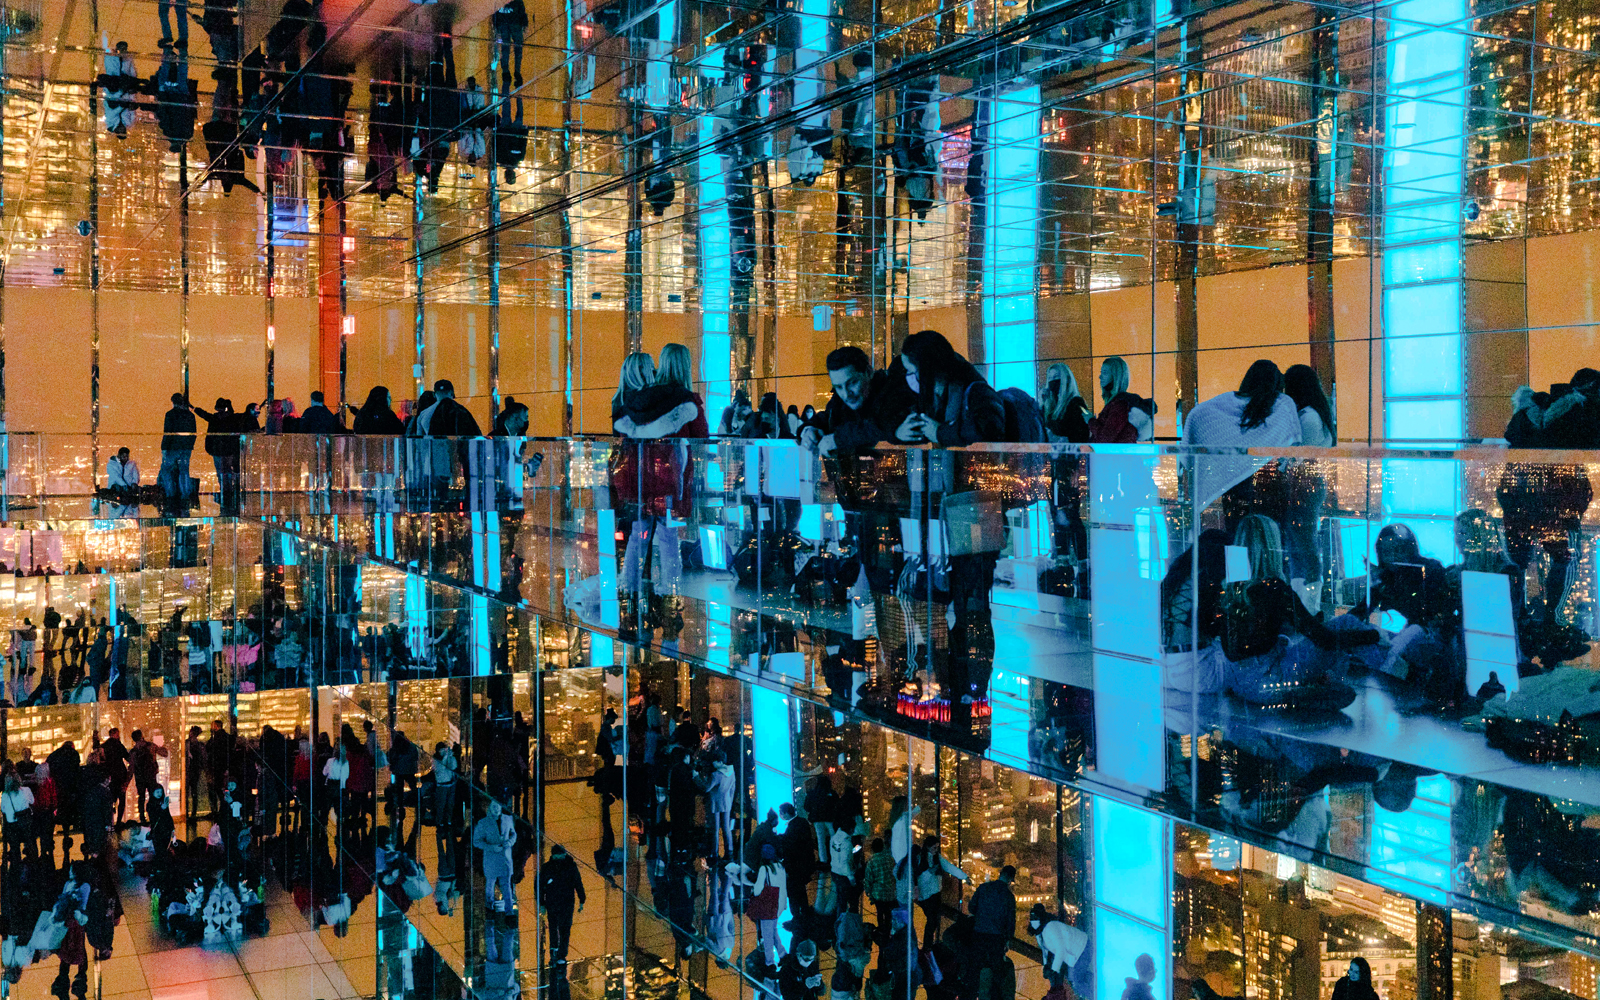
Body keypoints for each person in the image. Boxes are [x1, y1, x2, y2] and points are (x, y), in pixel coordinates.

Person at [1184, 360, 1303, 521]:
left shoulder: (1225, 402)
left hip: (1232, 486)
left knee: (1236, 534)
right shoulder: (1281, 404)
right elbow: (1292, 441)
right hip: (1267, 483)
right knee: (1266, 534)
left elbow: (1196, 415)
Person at [893, 330, 1004, 447]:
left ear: (927, 371)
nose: (909, 378)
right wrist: (900, 431)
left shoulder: (977, 393)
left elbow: (987, 431)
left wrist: (940, 433)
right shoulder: (935, 397)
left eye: (912, 372)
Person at [913, 834, 969, 947]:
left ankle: (927, 946)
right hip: (928, 895)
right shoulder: (923, 859)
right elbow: (947, 867)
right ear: (927, 847)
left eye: (937, 847)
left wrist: (964, 877)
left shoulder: (930, 858)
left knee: (932, 921)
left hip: (932, 894)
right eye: (934, 847)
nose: (936, 850)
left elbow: (949, 867)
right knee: (932, 921)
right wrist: (930, 872)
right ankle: (927, 946)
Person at [1087, 356, 1156, 443]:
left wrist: (1090, 420)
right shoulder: (1119, 402)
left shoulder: (1120, 404)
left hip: (1117, 455)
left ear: (1115, 376)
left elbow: (1106, 437)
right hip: (1120, 454)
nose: (1100, 377)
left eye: (1105, 372)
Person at [538, 844, 585, 964]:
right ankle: (560, 953)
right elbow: (577, 883)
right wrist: (581, 899)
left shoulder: (547, 867)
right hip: (565, 901)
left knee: (555, 926)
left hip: (554, 901)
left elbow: (539, 886)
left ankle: (555, 950)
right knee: (563, 927)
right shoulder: (570, 866)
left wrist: (542, 903)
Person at [745, 843, 789, 971]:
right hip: (779, 903)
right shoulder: (781, 866)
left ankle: (770, 963)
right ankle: (782, 954)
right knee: (773, 930)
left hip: (768, 906)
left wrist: (752, 886)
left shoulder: (764, 869)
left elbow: (758, 890)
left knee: (767, 934)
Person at [193, 398, 243, 511]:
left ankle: (225, 492)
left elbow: (204, 414)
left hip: (217, 450)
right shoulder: (233, 419)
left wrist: (193, 408)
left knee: (221, 472)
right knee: (228, 471)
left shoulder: (214, 418)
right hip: (229, 450)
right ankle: (230, 491)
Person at [472, 798, 517, 915]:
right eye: (494, 807)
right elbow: (476, 841)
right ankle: (489, 907)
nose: (496, 809)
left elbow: (513, 834)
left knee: (507, 886)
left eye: (497, 807)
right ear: (490, 809)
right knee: (490, 885)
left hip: (505, 859)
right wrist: (491, 847)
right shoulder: (483, 823)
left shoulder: (508, 819)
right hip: (491, 859)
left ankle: (509, 911)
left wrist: (510, 842)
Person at [968, 865, 1017, 971]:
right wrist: (1007, 940)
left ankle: (974, 985)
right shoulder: (1009, 897)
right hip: (997, 937)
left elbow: (971, 908)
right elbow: (1010, 922)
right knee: (995, 968)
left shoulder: (983, 887)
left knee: (976, 965)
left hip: (979, 932)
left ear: (1000, 874)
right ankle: (993, 986)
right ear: (1010, 880)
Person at [158, 393, 197, 506]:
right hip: (186, 448)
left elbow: (168, 432)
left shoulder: (170, 415)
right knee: (184, 471)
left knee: (166, 470)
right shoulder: (190, 415)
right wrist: (189, 445)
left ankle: (171, 494)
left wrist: (164, 448)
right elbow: (193, 433)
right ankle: (185, 495)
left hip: (173, 447)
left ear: (173, 402)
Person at [1039, 362, 1092, 443]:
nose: (1053, 381)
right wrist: (1041, 403)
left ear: (1066, 380)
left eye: (1056, 376)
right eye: (1050, 378)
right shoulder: (1049, 404)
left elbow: (1081, 435)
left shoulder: (1075, 404)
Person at [129, 730, 169, 826]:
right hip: (151, 776)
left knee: (141, 797)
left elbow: (131, 767)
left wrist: (127, 781)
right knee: (153, 796)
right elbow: (164, 753)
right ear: (142, 736)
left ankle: (142, 818)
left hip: (140, 778)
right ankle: (153, 815)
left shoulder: (134, 751)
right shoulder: (150, 746)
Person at [491, 0, 529, 89]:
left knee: (505, 49)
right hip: (515, 24)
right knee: (517, 49)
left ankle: (506, 72)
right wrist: (524, 24)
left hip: (504, 24)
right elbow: (521, 9)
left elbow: (494, 11)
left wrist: (496, 27)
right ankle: (516, 72)